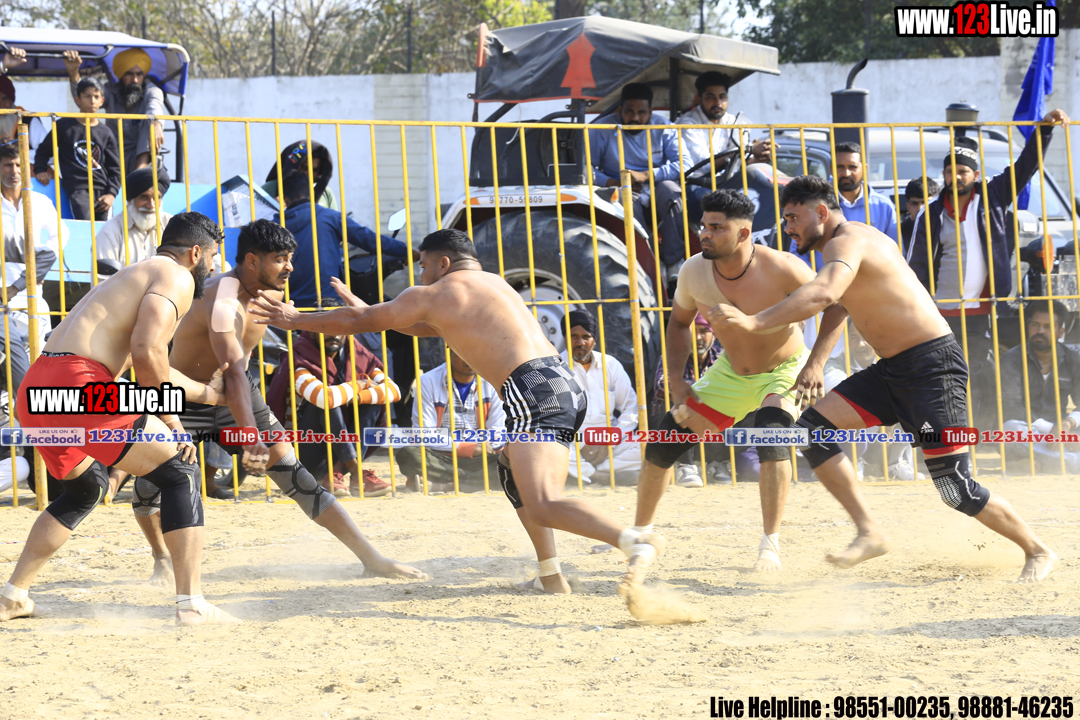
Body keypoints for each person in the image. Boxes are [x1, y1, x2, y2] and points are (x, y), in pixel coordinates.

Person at [249, 228, 665, 596]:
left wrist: (295, 318)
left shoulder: (437, 292)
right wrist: (366, 313)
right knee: (511, 472)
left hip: (532, 392)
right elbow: (407, 324)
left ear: (443, 263)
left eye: (423, 266)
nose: (420, 276)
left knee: (543, 502)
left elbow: (367, 319)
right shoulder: (494, 285)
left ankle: (632, 541)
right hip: (561, 385)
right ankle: (550, 574)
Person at [710, 175, 1057, 584]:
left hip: (932, 368)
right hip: (893, 369)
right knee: (811, 431)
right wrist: (816, 362)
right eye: (785, 219)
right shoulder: (843, 246)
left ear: (820, 212)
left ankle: (1038, 550)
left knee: (955, 488)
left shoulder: (848, 241)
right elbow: (838, 305)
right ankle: (869, 531)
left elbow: (824, 294)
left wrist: (753, 322)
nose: (788, 227)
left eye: (793, 217)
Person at [128, 219, 423, 583]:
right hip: (186, 395)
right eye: (281, 259)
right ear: (252, 261)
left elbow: (267, 350)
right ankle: (161, 556)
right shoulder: (223, 299)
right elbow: (232, 370)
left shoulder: (273, 296)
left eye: (290, 258)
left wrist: (358, 313)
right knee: (148, 488)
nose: (290, 268)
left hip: (235, 392)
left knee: (296, 477)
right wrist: (251, 436)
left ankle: (372, 558)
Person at [1, 211, 236, 625]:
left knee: (86, 489)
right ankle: (190, 604)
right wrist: (173, 423)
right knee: (180, 471)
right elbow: (148, 352)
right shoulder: (177, 276)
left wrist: (211, 395)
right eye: (214, 258)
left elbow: (151, 362)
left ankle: (13, 596)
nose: (214, 268)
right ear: (196, 253)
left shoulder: (132, 276)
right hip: (79, 385)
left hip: (38, 390)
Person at [628, 189, 844, 575]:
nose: (705, 234)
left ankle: (770, 546)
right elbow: (678, 324)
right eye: (704, 226)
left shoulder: (783, 267)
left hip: (784, 369)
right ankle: (639, 535)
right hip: (731, 372)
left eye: (716, 228)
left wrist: (815, 365)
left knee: (772, 432)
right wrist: (677, 379)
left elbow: (837, 305)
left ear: (744, 234)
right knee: (664, 439)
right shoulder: (693, 271)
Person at [906, 110, 1071, 428]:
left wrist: (1044, 131)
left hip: (979, 312)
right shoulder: (931, 213)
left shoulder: (993, 196)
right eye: (951, 171)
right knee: (941, 379)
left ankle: (970, 436)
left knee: (972, 374)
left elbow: (1026, 166)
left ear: (976, 174)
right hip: (938, 314)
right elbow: (916, 267)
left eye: (963, 171)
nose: (957, 177)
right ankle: (945, 436)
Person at [267, 295, 397, 498]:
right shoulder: (300, 357)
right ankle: (357, 473)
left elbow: (393, 391)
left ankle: (336, 473)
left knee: (372, 403)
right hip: (305, 454)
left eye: (341, 326)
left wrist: (357, 397)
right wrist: (361, 384)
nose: (334, 333)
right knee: (326, 403)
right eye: (325, 326)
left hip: (340, 452)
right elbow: (325, 398)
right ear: (311, 328)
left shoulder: (357, 354)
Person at [661, 71, 773, 279]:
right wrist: (746, 149)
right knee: (724, 208)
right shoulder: (687, 124)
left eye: (722, 97)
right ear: (700, 99)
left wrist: (758, 155)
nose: (717, 103)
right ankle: (725, 263)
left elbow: (739, 160)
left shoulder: (733, 122)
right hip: (695, 184)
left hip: (728, 184)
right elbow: (702, 165)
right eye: (710, 97)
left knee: (765, 199)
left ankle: (761, 259)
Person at [589, 84, 690, 268]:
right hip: (622, 188)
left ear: (650, 113)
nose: (635, 118)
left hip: (657, 186)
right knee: (623, 197)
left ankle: (674, 263)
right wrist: (613, 182)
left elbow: (685, 163)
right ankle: (649, 264)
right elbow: (586, 167)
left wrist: (647, 175)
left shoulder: (664, 127)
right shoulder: (601, 128)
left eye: (641, 113)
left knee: (672, 191)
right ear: (620, 110)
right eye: (629, 111)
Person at [281, 172, 417, 310]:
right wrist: (406, 251)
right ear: (314, 195)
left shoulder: (277, 226)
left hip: (291, 306)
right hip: (328, 303)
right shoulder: (330, 217)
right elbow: (368, 238)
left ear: (285, 200)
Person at [0, 143, 64, 410]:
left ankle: (29, 420)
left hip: (32, 296)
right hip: (2, 302)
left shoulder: (39, 202)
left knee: (37, 365)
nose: (14, 171)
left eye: (19, 165)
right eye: (8, 165)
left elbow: (59, 237)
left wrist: (35, 272)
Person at [396, 347, 505, 494]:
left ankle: (445, 485)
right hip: (441, 458)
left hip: (480, 458)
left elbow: (497, 433)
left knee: (514, 462)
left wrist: (484, 446)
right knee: (408, 454)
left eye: (476, 352)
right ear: (449, 351)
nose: (469, 358)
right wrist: (468, 447)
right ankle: (475, 481)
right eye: (463, 352)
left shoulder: (493, 381)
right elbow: (425, 434)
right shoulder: (428, 381)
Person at [560, 309, 641, 486]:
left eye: (586, 337)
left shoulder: (610, 365)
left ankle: (582, 473)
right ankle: (602, 475)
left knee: (648, 446)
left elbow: (631, 409)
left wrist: (608, 443)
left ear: (594, 340)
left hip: (610, 440)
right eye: (573, 336)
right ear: (565, 338)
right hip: (574, 440)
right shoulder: (555, 370)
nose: (580, 342)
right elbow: (554, 420)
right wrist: (582, 444)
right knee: (551, 443)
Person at [1000, 300, 1080, 472]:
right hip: (1029, 430)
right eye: (1035, 325)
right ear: (1028, 327)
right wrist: (1052, 430)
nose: (1040, 331)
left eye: (1048, 326)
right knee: (1010, 429)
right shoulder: (1012, 359)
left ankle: (1038, 462)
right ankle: (1071, 462)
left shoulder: (1072, 359)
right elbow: (1010, 407)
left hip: (1060, 430)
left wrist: (1068, 424)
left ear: (1060, 332)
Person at [651, 313, 728, 488]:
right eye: (693, 331)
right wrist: (703, 393)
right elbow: (662, 386)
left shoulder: (723, 357)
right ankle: (685, 465)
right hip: (673, 428)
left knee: (750, 408)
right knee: (681, 401)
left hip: (710, 429)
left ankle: (717, 462)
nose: (698, 337)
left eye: (704, 331)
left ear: (714, 334)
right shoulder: (673, 356)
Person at [33, 77, 121, 221]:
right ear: (77, 99)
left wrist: (111, 194)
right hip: (77, 188)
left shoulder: (106, 132)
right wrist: (40, 170)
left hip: (103, 191)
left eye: (96, 96)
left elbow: (115, 169)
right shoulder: (63, 126)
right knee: (85, 225)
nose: (92, 101)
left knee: (104, 229)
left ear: (102, 101)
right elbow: (43, 151)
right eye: (87, 96)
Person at [63, 49, 165, 173]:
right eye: (129, 74)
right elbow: (85, 102)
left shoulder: (152, 91)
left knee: (150, 121)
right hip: (113, 155)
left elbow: (155, 106)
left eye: (139, 74)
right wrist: (74, 73)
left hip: (142, 156)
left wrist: (156, 123)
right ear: (121, 75)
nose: (135, 80)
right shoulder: (110, 91)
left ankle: (138, 173)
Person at [95, 166, 173, 266]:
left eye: (156, 198)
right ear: (130, 200)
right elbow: (103, 275)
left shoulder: (171, 225)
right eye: (144, 197)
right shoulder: (111, 231)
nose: (151, 205)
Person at [263, 141, 337, 210]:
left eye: (314, 170)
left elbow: (334, 218)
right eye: (305, 168)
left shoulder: (326, 193)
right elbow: (258, 216)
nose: (309, 174)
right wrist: (271, 209)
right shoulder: (268, 190)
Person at [899, 176, 940, 253]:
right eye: (914, 203)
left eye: (926, 203)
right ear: (908, 207)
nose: (920, 208)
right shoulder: (899, 232)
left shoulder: (946, 227)